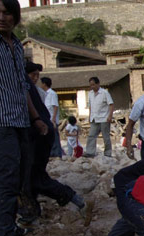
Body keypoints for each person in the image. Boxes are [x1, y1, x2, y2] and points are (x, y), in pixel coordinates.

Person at [0, 0, 49, 236]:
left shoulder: (17, 46)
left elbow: (23, 87)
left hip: (20, 121)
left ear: (15, 16)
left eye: (7, 13)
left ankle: (10, 226)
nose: (1, 18)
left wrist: (36, 118)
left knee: (20, 176)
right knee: (5, 179)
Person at [21, 61, 85, 225]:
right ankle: (32, 211)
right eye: (33, 75)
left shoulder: (23, 84)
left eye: (37, 75)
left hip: (38, 133)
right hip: (41, 132)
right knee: (30, 175)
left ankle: (74, 199)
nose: (35, 78)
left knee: (34, 177)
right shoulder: (31, 87)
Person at [85, 76, 114, 157]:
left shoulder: (105, 93)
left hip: (104, 118)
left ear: (98, 84)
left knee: (106, 136)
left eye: (93, 85)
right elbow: (90, 106)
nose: (92, 87)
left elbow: (111, 104)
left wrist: (110, 116)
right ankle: (90, 152)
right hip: (94, 118)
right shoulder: (90, 94)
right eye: (91, 85)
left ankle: (108, 153)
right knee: (91, 135)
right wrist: (89, 116)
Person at [40, 76, 62, 158]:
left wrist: (53, 119)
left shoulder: (52, 93)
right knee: (49, 136)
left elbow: (55, 106)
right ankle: (52, 153)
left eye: (41, 83)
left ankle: (56, 154)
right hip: (47, 118)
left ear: (44, 84)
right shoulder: (45, 94)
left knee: (55, 136)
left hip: (52, 119)